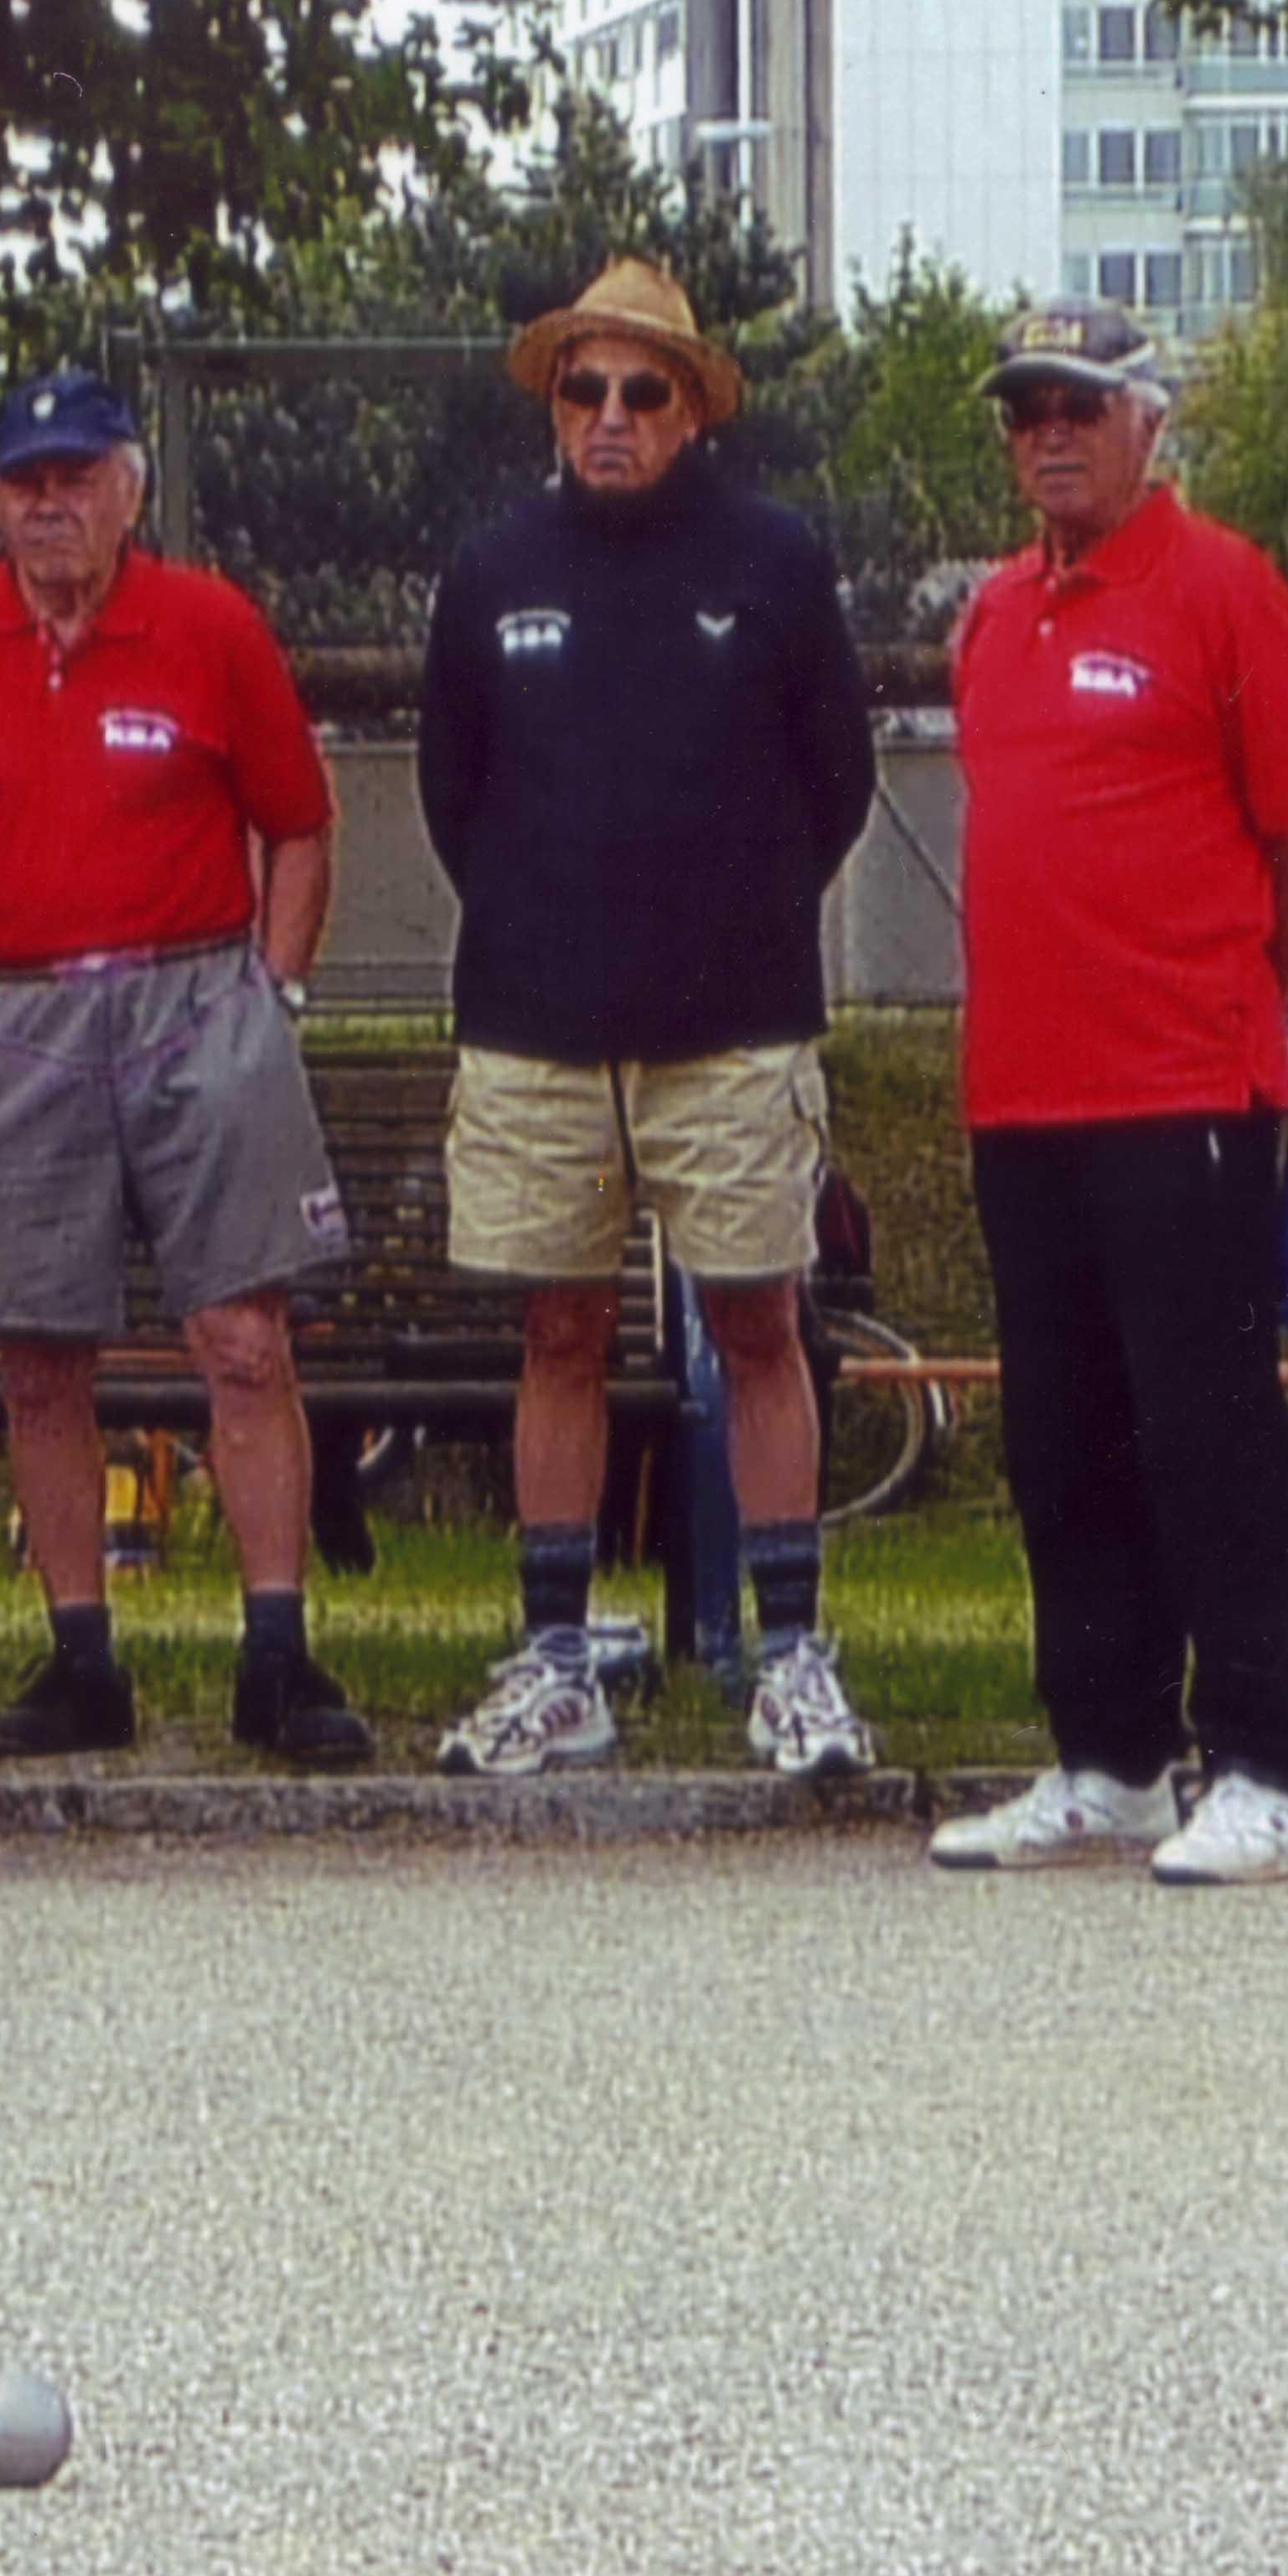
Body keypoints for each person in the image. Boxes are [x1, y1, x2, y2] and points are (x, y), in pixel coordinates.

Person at [0, 367, 372, 1770]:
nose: (50, 506)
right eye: (26, 482)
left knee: (242, 1341)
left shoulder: (208, 626)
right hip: (13, 1010)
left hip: (196, 991)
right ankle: (82, 1654)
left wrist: (274, 995)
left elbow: (301, 824)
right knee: (38, 1356)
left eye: (77, 477)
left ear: (129, 488)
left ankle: (278, 1650)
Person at [418, 256, 882, 1780]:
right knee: (556, 1330)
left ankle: (792, 1658)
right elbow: (452, 794)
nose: (609, 417)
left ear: (692, 410)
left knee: (759, 1321)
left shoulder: (776, 561)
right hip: (536, 1026)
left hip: (735, 1027)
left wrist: (731, 916)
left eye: (643, 391)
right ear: (554, 404)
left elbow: (838, 785)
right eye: (583, 389)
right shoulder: (490, 571)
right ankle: (559, 1660)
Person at [928, 302, 1288, 1886]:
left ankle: (1272, 1768)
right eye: (1027, 409)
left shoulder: (1226, 592)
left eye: (1081, 406)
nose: (1050, 433)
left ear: (1146, 423)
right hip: (1024, 1095)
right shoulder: (991, 615)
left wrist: (1253, 1012)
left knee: (1211, 1428)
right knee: (1065, 1437)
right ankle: (1109, 1756)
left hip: (1188, 1084)